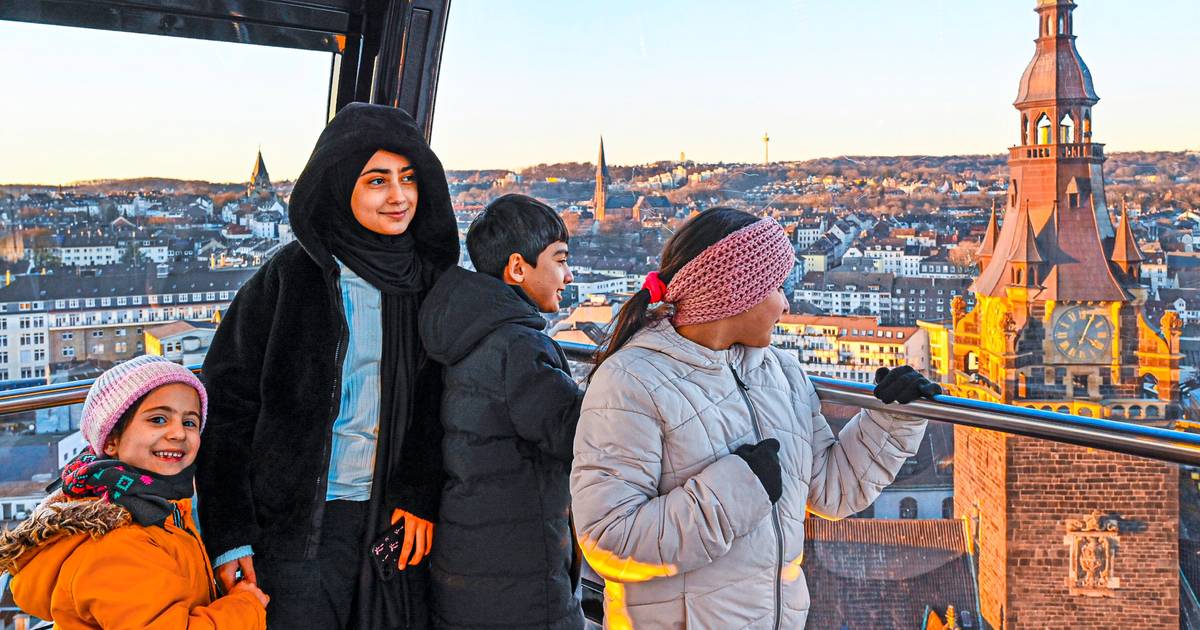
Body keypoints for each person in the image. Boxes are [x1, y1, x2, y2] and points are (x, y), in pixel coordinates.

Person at [570, 208, 938, 628]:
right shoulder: (631, 381)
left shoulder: (782, 373)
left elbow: (832, 491)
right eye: (777, 287)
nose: (786, 303)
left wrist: (892, 418)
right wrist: (736, 492)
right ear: (736, 294)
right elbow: (609, 540)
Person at [196, 103, 459, 629]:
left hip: (395, 522)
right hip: (298, 529)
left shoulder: (431, 285)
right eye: (377, 180)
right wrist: (230, 536)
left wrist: (419, 494)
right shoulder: (290, 279)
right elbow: (226, 411)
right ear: (340, 185)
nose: (399, 196)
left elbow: (442, 406)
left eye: (408, 177)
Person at [0, 355, 268, 629]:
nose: (178, 433)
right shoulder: (118, 544)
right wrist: (245, 607)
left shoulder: (154, 505)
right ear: (111, 440)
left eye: (190, 422)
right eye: (158, 419)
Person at [419, 194, 584, 629]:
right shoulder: (519, 346)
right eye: (560, 260)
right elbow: (580, 435)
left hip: (468, 560)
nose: (568, 275)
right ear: (517, 268)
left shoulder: (465, 330)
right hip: (520, 575)